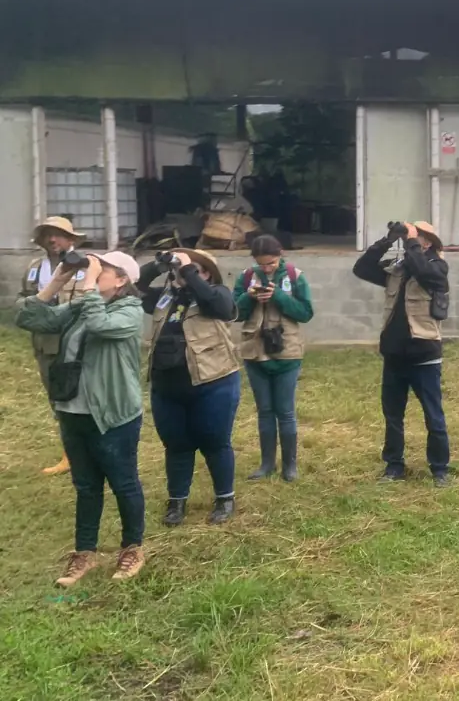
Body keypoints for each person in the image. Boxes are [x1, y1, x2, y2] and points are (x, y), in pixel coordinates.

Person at [16, 251, 147, 587]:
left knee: (124, 483)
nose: (94, 273)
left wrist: (87, 284)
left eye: (103, 270)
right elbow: (30, 319)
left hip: (113, 414)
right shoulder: (81, 307)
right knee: (86, 487)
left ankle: (133, 548)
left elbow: (100, 324)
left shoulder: (130, 311)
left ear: (121, 280)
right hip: (73, 411)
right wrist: (59, 279)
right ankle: (84, 553)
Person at [138, 248, 241, 527]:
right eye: (181, 268)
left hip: (213, 382)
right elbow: (134, 287)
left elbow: (220, 307)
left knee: (214, 441)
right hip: (167, 385)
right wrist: (158, 266)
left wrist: (189, 272)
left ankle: (224, 498)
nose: (182, 272)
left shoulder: (217, 295)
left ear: (206, 273)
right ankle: (177, 502)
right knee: (176, 445)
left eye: (196, 268)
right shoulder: (165, 297)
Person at [353, 221, 452, 487]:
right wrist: (388, 239)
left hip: (424, 354)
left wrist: (411, 243)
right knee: (393, 414)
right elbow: (361, 268)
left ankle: (440, 468)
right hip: (394, 354)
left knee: (433, 414)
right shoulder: (398, 269)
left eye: (415, 237)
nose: (409, 240)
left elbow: (424, 271)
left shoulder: (437, 268)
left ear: (427, 242)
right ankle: (394, 465)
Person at [233, 234, 315, 482]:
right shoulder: (246, 277)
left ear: (280, 256)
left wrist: (278, 296)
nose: (267, 268)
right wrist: (249, 297)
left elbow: (305, 313)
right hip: (255, 353)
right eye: (262, 264)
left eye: (271, 263)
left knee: (286, 411)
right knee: (265, 411)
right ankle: (266, 463)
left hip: (287, 352)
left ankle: (290, 466)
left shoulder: (294, 276)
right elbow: (234, 312)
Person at [20, 216, 87, 476]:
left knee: (82, 396)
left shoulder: (86, 265)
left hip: (78, 342)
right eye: (48, 234)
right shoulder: (35, 268)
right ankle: (69, 454)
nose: (52, 239)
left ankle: (89, 450)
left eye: (58, 234)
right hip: (45, 343)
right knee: (57, 398)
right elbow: (23, 301)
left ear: (70, 239)